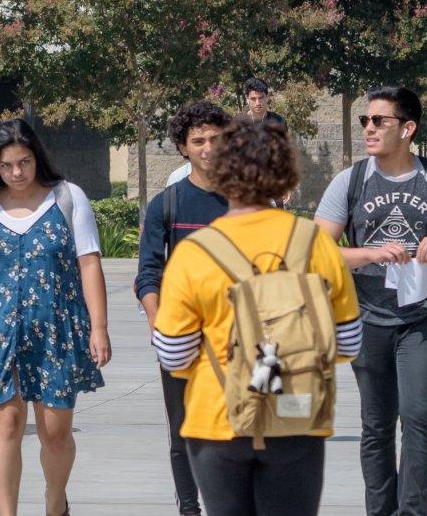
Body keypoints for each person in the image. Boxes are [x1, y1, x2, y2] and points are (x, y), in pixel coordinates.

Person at [152, 118, 362, 516]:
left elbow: (173, 355)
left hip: (218, 419)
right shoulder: (315, 243)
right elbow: (348, 343)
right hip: (297, 412)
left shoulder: (196, 252)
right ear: (285, 174)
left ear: (221, 171)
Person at [315, 86, 427, 516]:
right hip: (365, 318)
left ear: (408, 129)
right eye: (364, 121)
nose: (369, 129)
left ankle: (411, 511)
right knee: (376, 425)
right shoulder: (349, 181)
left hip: (421, 318)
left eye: (379, 121)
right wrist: (368, 253)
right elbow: (315, 253)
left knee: (418, 415)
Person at [0, 119, 109, 516]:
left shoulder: (67, 198)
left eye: (24, 162)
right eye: (7, 165)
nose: (16, 173)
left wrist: (98, 328)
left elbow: (88, 264)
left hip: (56, 330)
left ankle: (54, 502)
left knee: (55, 433)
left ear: (38, 159)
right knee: (7, 425)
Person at [134, 101, 234, 516]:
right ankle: (190, 508)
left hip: (239, 338)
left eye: (215, 138)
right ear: (183, 148)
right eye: (198, 141)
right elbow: (147, 273)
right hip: (183, 336)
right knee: (184, 433)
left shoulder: (249, 199)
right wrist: (160, 323)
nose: (208, 147)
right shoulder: (167, 205)